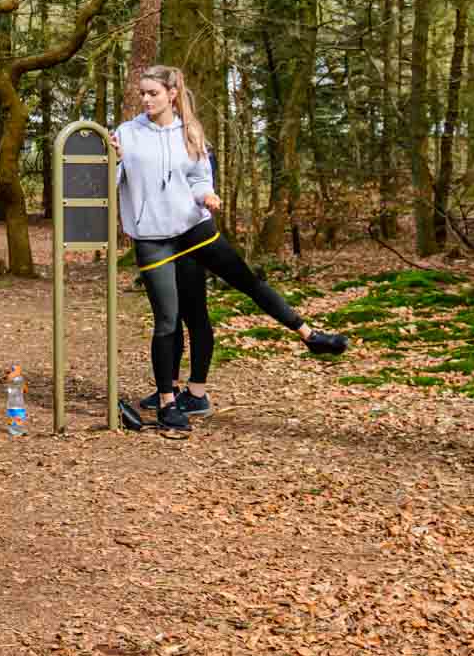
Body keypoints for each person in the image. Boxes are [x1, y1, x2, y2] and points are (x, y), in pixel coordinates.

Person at [113, 65, 349, 434]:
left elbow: (198, 178)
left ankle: (309, 335)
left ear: (172, 94)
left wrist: (206, 195)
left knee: (247, 281)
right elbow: (110, 177)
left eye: (152, 93)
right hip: (153, 238)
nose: (145, 100)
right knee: (167, 320)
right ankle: (167, 404)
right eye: (142, 93)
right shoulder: (127, 134)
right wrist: (111, 158)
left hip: (194, 227)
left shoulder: (190, 131)